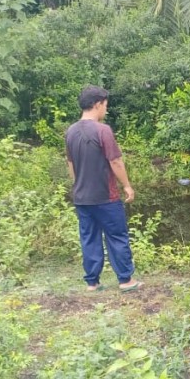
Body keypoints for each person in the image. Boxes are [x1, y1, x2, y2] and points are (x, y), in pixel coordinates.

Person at [65, 85, 141, 292]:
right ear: (97, 104)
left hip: (81, 198)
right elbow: (115, 161)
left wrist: (78, 184)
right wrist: (127, 186)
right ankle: (126, 280)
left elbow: (70, 164)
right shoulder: (103, 130)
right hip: (106, 197)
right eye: (105, 105)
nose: (106, 110)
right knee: (117, 236)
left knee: (89, 238)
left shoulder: (70, 131)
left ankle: (92, 283)